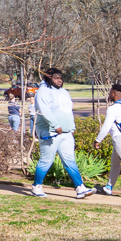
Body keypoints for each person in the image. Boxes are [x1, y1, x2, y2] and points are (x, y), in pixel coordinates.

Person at [31, 66, 86, 198]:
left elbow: (68, 111)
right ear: (48, 78)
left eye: (61, 78)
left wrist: (71, 128)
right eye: (56, 78)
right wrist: (55, 125)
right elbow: (44, 111)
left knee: (70, 160)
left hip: (66, 132)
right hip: (49, 132)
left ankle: (80, 187)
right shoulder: (43, 92)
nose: (60, 80)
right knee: (46, 160)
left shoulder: (64, 92)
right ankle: (36, 187)